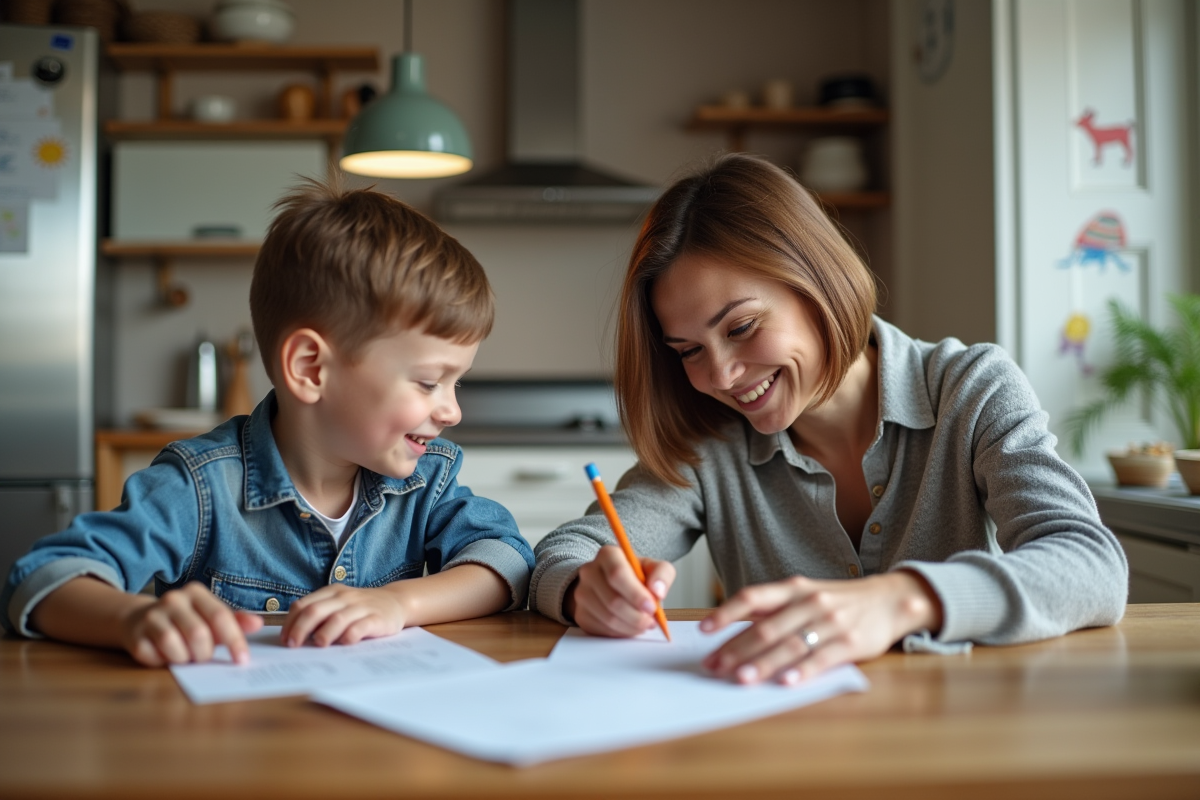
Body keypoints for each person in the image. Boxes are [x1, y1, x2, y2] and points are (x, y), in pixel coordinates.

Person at [529, 153, 1127, 685]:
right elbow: (567, 552)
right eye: (688, 351)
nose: (721, 376)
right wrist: (588, 589)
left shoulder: (970, 389)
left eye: (740, 328)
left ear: (817, 282)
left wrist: (901, 600)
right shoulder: (709, 442)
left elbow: (1091, 565)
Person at [1, 179, 534, 666]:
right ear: (310, 368)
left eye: (455, 383)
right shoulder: (201, 487)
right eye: (427, 382)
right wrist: (133, 618)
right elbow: (45, 579)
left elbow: (507, 561)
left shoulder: (426, 480)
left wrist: (398, 601)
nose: (452, 411)